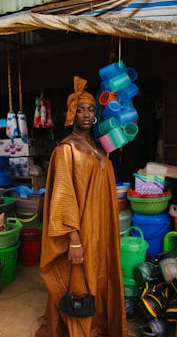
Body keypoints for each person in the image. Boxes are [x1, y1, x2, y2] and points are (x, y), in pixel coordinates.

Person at [36, 76, 128, 337]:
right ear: (71, 114)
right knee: (79, 283)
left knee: (99, 276)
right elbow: (64, 196)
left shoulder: (96, 147)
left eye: (90, 109)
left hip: (100, 230)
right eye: (80, 110)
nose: (86, 115)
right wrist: (74, 239)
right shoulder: (67, 150)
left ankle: (97, 327)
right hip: (81, 233)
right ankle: (80, 331)